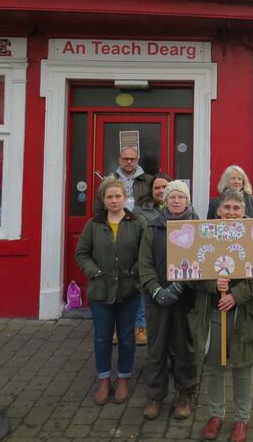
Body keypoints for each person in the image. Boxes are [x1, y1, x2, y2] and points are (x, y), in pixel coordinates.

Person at [189, 189, 253, 442]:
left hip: (243, 314)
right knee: (214, 365)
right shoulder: (205, 236)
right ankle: (215, 414)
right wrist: (214, 285)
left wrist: (236, 294)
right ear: (218, 210)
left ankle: (241, 420)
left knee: (241, 366)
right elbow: (191, 275)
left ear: (243, 211)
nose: (231, 213)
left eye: (236, 208)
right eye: (227, 208)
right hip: (211, 310)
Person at [75, 177, 150, 405]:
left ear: (125, 198)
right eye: (110, 197)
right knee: (102, 338)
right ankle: (104, 379)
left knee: (127, 337)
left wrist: (134, 272)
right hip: (101, 291)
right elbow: (82, 253)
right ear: (103, 200)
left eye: (118, 196)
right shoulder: (94, 224)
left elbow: (146, 255)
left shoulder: (137, 222)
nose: (114, 200)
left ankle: (124, 378)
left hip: (129, 291)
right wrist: (94, 272)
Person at [139, 180, 198, 421]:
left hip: (185, 299)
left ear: (187, 200)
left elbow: (198, 261)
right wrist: (156, 290)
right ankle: (155, 396)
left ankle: (185, 394)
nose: (175, 201)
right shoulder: (153, 228)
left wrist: (177, 287)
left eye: (180, 197)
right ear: (165, 200)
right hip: (157, 301)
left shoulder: (197, 228)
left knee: (184, 348)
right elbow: (145, 264)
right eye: (171, 197)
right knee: (157, 348)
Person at [132, 173, 171, 346]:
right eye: (157, 187)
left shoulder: (180, 206)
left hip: (173, 262)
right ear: (151, 190)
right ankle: (141, 326)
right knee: (146, 290)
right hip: (149, 259)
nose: (161, 190)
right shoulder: (140, 210)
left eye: (165, 187)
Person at [96, 146, 153, 212]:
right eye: (125, 159)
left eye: (132, 159)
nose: (129, 162)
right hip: (115, 219)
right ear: (119, 160)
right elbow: (99, 205)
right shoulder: (109, 181)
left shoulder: (149, 180)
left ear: (137, 160)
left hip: (140, 220)